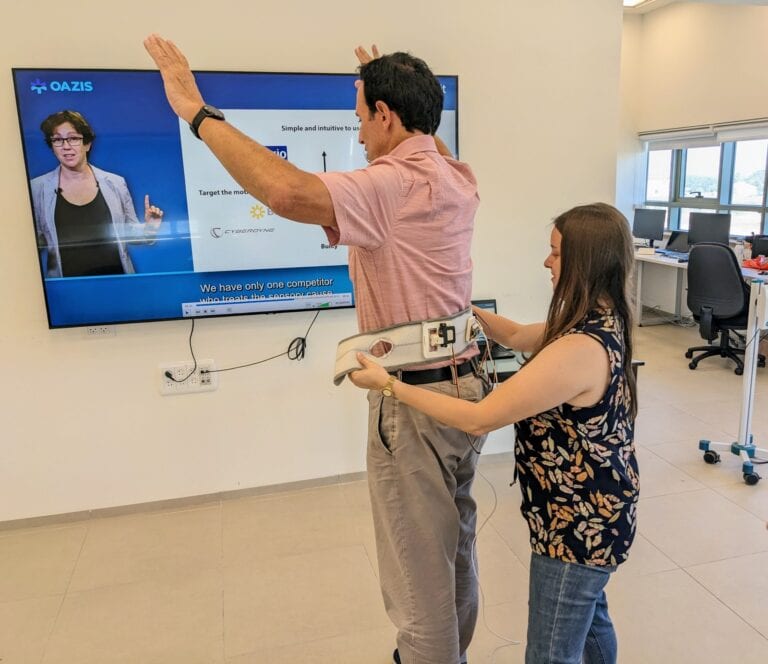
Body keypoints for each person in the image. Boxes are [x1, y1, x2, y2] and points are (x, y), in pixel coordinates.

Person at [144, 36, 486, 664]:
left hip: (411, 396)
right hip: (464, 385)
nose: (358, 135)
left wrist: (195, 110)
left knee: (418, 579)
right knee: (453, 549)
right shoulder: (452, 173)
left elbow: (285, 192)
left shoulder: (391, 182)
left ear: (386, 115)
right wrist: (385, 83)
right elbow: (421, 135)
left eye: (363, 119)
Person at [350, 202, 640, 664]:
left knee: (550, 652)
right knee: (590, 621)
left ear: (586, 262)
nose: (547, 262)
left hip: (577, 528)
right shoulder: (599, 318)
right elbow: (518, 335)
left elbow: (479, 417)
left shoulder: (579, 349)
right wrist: (459, 308)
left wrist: (389, 385)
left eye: (556, 254)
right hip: (595, 513)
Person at [30, 110, 164, 277]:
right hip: (65, 293)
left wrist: (150, 228)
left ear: (87, 143)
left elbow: (129, 233)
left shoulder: (115, 183)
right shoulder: (37, 188)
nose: (66, 146)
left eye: (73, 138)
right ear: (52, 147)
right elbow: (33, 244)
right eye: (57, 140)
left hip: (117, 284)